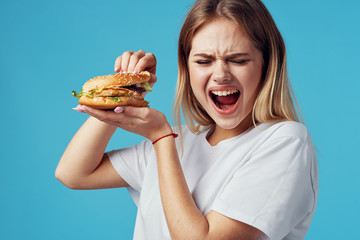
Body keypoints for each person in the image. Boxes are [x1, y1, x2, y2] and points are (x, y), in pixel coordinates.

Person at [56, 0, 318, 239]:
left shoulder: (285, 142)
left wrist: (161, 138)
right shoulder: (179, 139)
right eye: (204, 61)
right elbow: (74, 173)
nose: (220, 75)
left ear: (267, 65)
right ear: (187, 69)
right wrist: (124, 91)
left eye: (237, 60)